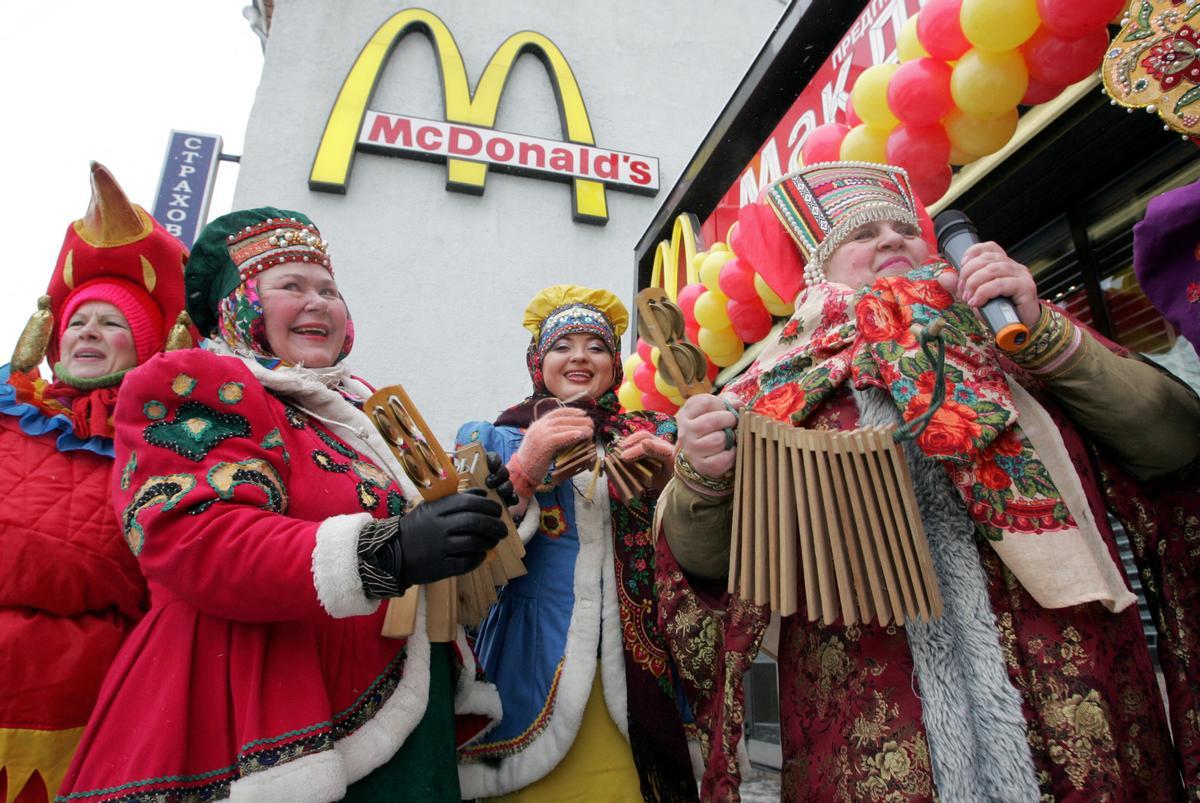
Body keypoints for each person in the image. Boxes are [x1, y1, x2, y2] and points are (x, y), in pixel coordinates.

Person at [656, 162, 1200, 801]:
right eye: (860, 236)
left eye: (902, 229)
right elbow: (708, 566)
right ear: (816, 271)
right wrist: (702, 480)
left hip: (1073, 689)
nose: (890, 241)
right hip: (870, 719)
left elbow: (1174, 446)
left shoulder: (1016, 331)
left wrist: (1053, 338)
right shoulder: (763, 389)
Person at [57, 208, 510, 803]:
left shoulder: (366, 407)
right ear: (239, 305)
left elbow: (419, 528)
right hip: (256, 702)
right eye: (290, 286)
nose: (318, 302)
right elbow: (195, 535)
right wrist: (388, 551)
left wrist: (477, 507)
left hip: (399, 698)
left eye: (329, 289)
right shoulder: (196, 379)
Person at [456, 285, 697, 802]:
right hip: (530, 660)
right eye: (564, 345)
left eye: (597, 345)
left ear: (615, 361)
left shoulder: (653, 433)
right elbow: (461, 556)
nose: (581, 357)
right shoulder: (493, 439)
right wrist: (525, 466)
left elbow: (709, 541)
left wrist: (676, 477)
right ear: (538, 360)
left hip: (641, 666)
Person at [0, 163, 191, 803]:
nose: (89, 332)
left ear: (146, 347)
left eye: (112, 324)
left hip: (83, 692)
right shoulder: (8, 405)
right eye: (80, 321)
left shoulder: (168, 440)